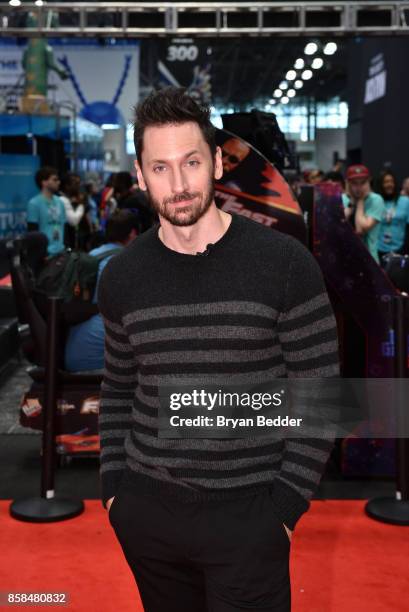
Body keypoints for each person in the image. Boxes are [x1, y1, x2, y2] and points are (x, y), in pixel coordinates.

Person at [98, 87, 339, 612]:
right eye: (160, 168)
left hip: (250, 518)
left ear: (216, 162)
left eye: (190, 162)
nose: (179, 184)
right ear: (139, 175)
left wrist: (283, 507)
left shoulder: (286, 264)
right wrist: (115, 491)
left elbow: (320, 396)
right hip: (147, 516)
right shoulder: (120, 277)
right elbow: (117, 388)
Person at [64, 210, 138, 372]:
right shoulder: (127, 262)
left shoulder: (92, 256)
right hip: (95, 364)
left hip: (73, 350)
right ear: (133, 233)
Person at [342, 164, 385, 263]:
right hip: (345, 256)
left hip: (369, 258)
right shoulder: (342, 199)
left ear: (369, 182)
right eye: (354, 183)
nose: (359, 187)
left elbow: (360, 229)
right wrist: (352, 202)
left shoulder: (376, 200)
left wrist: (361, 201)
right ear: (348, 184)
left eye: (363, 182)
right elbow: (340, 222)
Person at [26, 167, 66, 256]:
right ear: (44, 182)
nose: (58, 182)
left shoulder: (60, 202)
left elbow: (64, 226)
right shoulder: (34, 203)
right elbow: (32, 232)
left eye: (58, 179)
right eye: (55, 180)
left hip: (61, 252)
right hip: (44, 254)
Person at [376, 170, 409, 263]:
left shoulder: (405, 201)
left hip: (401, 250)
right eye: (386, 182)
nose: (389, 184)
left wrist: (404, 250)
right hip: (379, 250)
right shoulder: (376, 202)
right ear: (381, 185)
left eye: (391, 181)